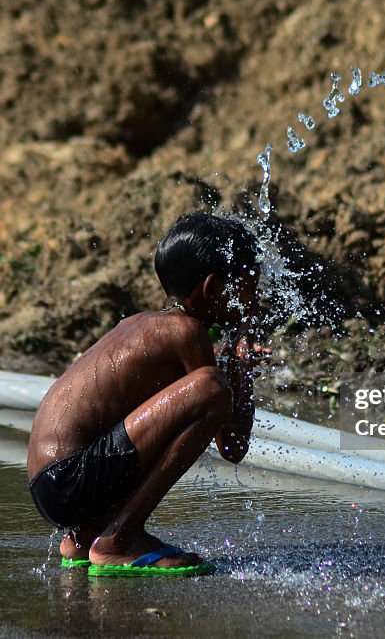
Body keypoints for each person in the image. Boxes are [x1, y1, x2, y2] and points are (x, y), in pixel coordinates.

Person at [27, 213, 268, 577]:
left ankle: (85, 535)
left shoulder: (141, 325)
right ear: (214, 289)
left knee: (198, 390)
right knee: (212, 388)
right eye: (252, 286)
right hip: (69, 481)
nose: (256, 298)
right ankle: (118, 540)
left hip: (52, 484)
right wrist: (241, 369)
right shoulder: (186, 333)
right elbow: (232, 444)